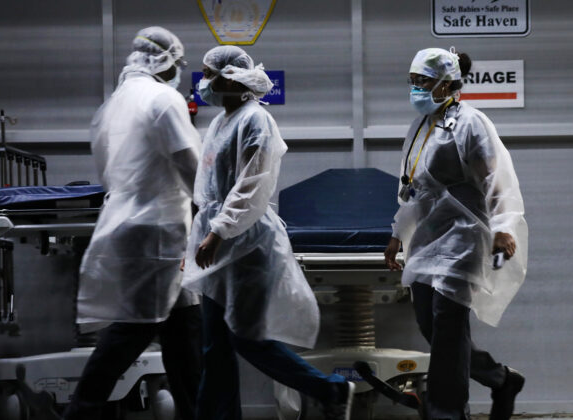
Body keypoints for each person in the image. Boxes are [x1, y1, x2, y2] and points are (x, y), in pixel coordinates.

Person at [181, 45, 354, 420]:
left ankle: (330, 390)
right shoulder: (218, 123)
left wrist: (220, 231)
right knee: (214, 346)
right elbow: (206, 188)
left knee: (246, 339)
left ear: (230, 78)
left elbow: (253, 185)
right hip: (216, 239)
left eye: (208, 74)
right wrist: (198, 236)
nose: (204, 82)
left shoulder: (256, 120)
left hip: (245, 245)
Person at [63, 27, 202, 420]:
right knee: (135, 327)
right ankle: (81, 411)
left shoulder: (114, 104)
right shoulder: (163, 99)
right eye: (178, 64)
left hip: (129, 222)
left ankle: (195, 410)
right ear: (167, 62)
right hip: (157, 228)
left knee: (185, 328)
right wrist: (220, 215)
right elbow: (189, 164)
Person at [384, 48, 529, 420]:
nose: (416, 88)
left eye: (424, 82)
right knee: (430, 325)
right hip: (430, 236)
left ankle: (445, 413)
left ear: (447, 84)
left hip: (466, 233)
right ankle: (500, 378)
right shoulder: (421, 128)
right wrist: (399, 233)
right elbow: (414, 188)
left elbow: (496, 178)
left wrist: (503, 226)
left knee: (449, 325)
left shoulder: (471, 123)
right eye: (413, 81)